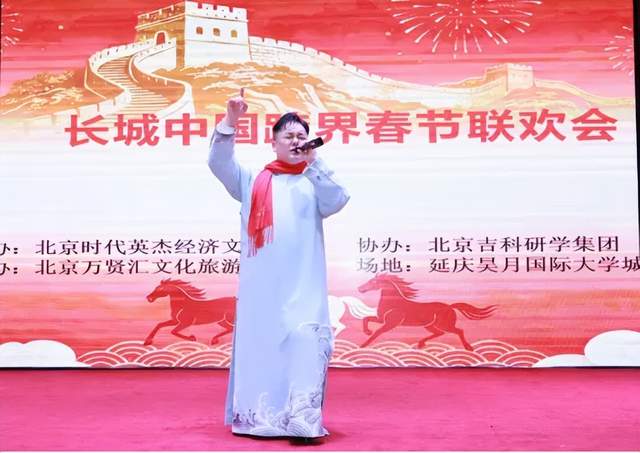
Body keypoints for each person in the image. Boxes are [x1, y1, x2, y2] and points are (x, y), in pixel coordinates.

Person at [207, 88, 350, 440]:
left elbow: (338, 199)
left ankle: (304, 419)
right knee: (263, 348)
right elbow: (218, 163)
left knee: (305, 341)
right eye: (288, 136)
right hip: (262, 287)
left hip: (304, 283)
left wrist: (316, 163)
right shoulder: (252, 179)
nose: (296, 141)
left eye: (301, 135)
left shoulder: (314, 180)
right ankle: (261, 419)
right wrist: (231, 120)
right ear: (274, 144)